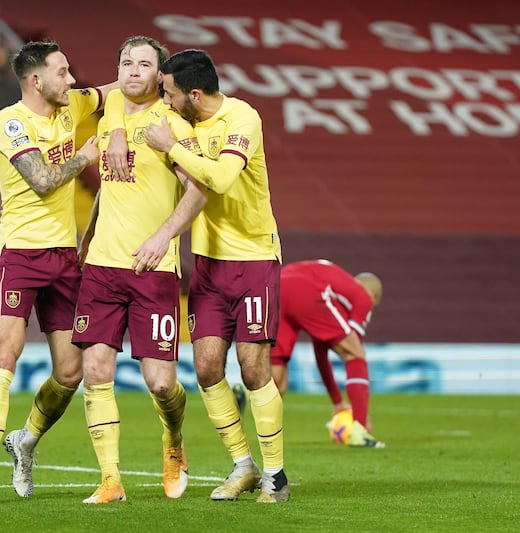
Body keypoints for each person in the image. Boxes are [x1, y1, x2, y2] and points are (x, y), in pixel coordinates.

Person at [0, 40, 118, 506]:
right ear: (37, 81)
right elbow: (43, 180)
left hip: (64, 258)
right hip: (20, 254)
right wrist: (86, 157)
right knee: (5, 357)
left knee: (70, 373)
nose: (72, 80)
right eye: (63, 73)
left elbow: (112, 91)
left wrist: (158, 77)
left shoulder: (72, 103)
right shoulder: (10, 123)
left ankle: (26, 441)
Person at [143, 49, 288, 503]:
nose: (163, 101)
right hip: (207, 263)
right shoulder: (180, 123)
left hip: (255, 259)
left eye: (169, 93)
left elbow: (222, 179)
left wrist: (173, 148)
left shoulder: (243, 118)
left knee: (253, 366)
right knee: (206, 367)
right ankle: (242, 465)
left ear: (195, 94)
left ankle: (275, 475)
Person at [72, 36, 208, 504]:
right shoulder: (108, 110)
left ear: (159, 75)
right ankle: (110, 479)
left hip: (153, 267)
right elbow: (113, 191)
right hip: (102, 265)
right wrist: (87, 235)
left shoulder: (173, 125)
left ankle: (173, 441)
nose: (133, 71)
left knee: (161, 382)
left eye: (144, 64)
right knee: (95, 369)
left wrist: (163, 236)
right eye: (126, 62)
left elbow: (198, 191)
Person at [269, 259, 385, 447]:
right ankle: (360, 431)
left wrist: (338, 402)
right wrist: (359, 413)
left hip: (276, 286)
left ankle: (247, 401)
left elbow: (320, 353)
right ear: (372, 296)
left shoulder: (333, 296)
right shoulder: (363, 297)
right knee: (356, 355)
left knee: (277, 384)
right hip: (306, 288)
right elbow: (353, 355)